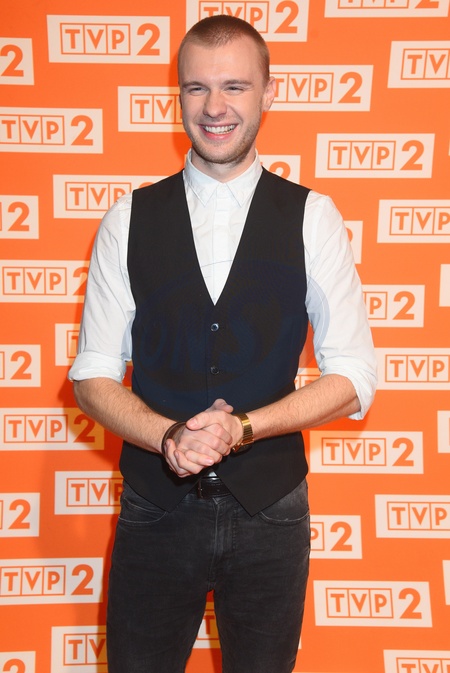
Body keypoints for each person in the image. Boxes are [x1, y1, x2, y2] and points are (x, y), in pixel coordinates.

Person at [69, 14, 377, 673]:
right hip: (155, 513)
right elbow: (92, 376)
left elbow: (354, 376)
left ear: (269, 93)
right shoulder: (127, 219)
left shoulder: (313, 216)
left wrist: (244, 426)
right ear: (177, 95)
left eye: (235, 86)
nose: (215, 107)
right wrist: (169, 437)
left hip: (273, 514)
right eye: (197, 87)